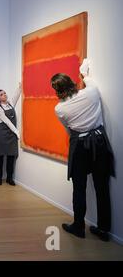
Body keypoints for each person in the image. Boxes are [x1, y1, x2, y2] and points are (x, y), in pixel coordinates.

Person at [51, 58, 115, 242]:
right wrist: (84, 71)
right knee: (102, 187)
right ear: (72, 82)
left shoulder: (60, 108)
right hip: (99, 143)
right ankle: (104, 230)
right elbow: (87, 78)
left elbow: (69, 129)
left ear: (57, 91)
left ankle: (78, 226)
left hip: (79, 145)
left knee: (79, 187)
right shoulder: (92, 92)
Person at [0, 83, 22, 186]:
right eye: (1, 94)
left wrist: (19, 87)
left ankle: (10, 178)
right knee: (0, 156)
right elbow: (7, 122)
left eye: (5, 93)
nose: (4, 95)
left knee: (11, 156)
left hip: (11, 133)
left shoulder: (10, 104)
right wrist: (17, 132)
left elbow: (15, 96)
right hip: (2, 134)